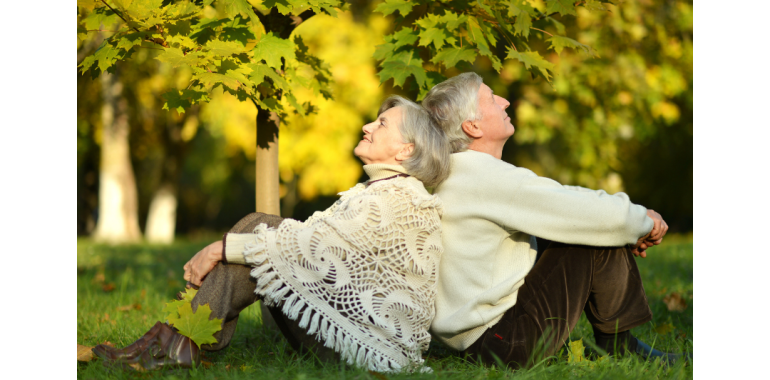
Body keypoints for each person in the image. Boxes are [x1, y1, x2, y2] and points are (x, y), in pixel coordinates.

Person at [93, 95, 450, 373]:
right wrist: (229, 247)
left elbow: (309, 245)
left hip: (368, 350)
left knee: (263, 233)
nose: (368, 126)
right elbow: (313, 241)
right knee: (263, 229)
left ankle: (177, 343)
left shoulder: (398, 200)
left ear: (406, 149)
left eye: (382, 123)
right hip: (352, 334)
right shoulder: (383, 192)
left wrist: (220, 249)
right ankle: (178, 342)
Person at [421, 72, 688, 368]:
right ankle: (619, 344)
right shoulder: (487, 179)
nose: (505, 101)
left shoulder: (461, 176)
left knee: (584, 222)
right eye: (491, 98)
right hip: (506, 345)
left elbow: (564, 202)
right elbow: (583, 211)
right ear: (472, 126)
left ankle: (618, 341)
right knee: (591, 225)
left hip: (480, 342)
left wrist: (627, 229)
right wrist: (644, 222)